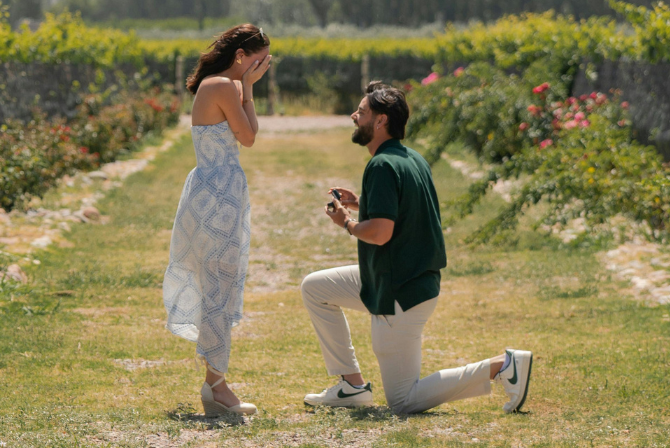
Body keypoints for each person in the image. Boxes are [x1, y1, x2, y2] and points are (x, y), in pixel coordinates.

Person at [299, 81, 534, 415]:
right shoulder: (410, 158)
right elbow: (402, 209)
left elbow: (380, 233)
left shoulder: (381, 165)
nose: (355, 116)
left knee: (403, 400)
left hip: (400, 291)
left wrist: (347, 224)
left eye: (362, 112)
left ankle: (502, 366)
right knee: (316, 288)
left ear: (380, 121)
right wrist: (362, 202)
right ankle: (351, 386)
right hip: (401, 279)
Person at [163, 24, 272, 416]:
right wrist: (247, 84)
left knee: (221, 283)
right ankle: (217, 387)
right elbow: (249, 138)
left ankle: (216, 383)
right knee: (218, 286)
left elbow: (250, 132)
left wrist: (250, 85)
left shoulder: (227, 84)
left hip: (218, 189)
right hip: (217, 193)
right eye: (258, 61)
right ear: (241, 56)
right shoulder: (224, 86)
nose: (263, 67)